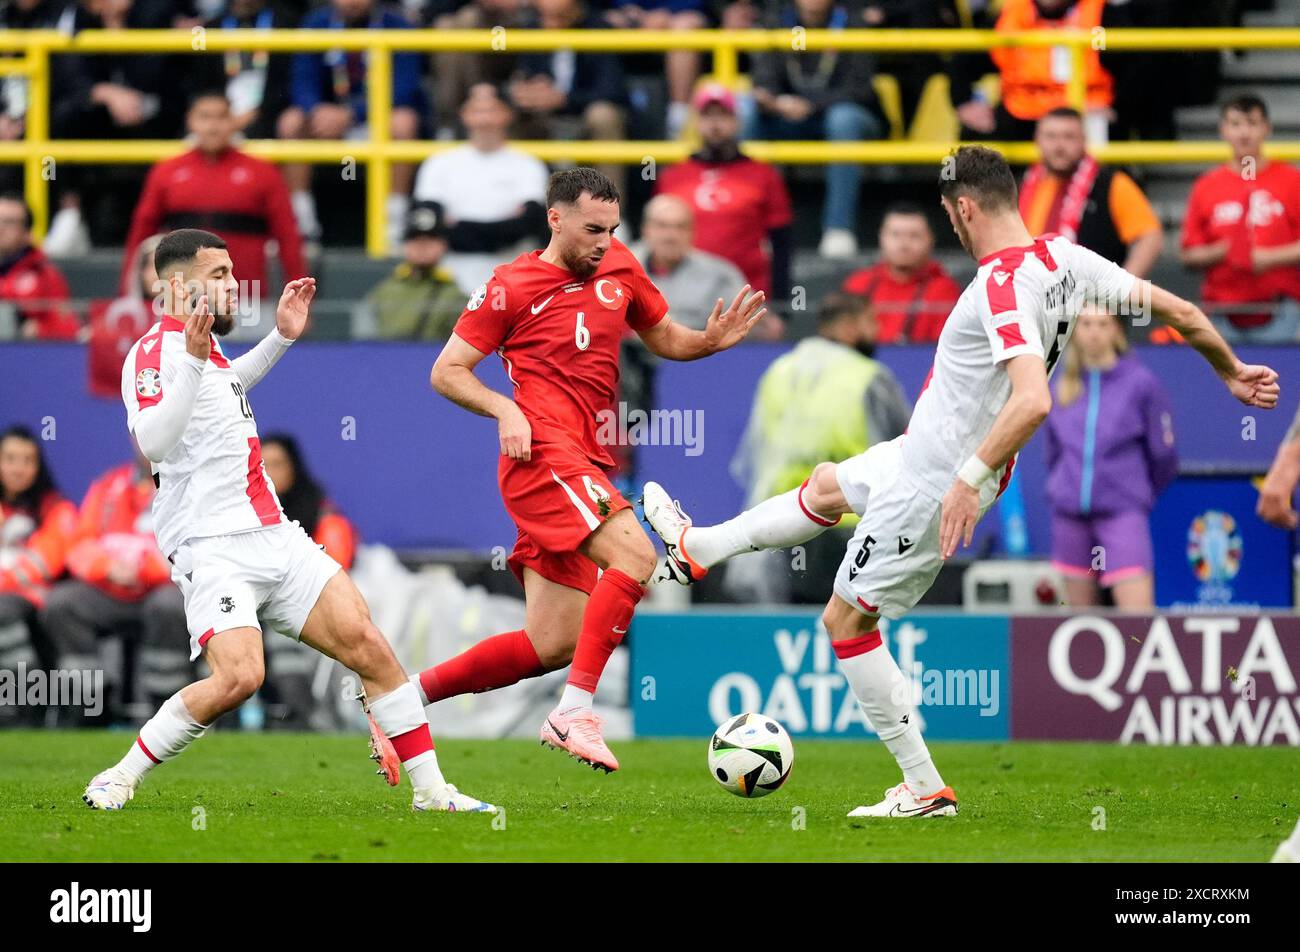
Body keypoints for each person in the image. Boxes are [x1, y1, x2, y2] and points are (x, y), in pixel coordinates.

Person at [644, 145, 1279, 819]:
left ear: (965, 207)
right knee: (828, 485)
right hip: (918, 456)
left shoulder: (1004, 285)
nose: (950, 223)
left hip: (934, 479)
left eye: (949, 212)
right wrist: (1230, 369)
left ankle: (923, 788)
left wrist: (967, 481)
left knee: (846, 622)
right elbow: (1177, 307)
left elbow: (1032, 398)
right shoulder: (1064, 258)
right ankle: (699, 549)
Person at [82, 228, 495, 814]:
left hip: (274, 534)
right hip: (212, 544)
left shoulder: (206, 352)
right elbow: (154, 441)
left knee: (369, 646)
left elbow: (223, 387)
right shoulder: (152, 354)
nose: (233, 285)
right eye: (218, 275)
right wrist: (196, 364)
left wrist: (280, 337)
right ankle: (119, 775)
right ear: (178, 286)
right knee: (239, 679)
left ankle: (434, 794)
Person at [415, 168, 765, 773]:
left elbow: (664, 337)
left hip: (587, 456)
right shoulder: (511, 283)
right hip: (542, 455)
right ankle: (573, 712)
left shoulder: (620, 266)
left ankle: (404, 699)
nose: (604, 241)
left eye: (611, 229)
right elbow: (447, 370)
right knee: (637, 557)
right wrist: (505, 410)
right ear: (555, 219)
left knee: (550, 644)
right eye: (591, 229)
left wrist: (708, 341)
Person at [726, 292, 910, 602]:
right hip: (850, 520)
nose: (877, 331)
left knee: (797, 623)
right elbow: (906, 448)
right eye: (871, 322)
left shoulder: (779, 371)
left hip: (787, 519)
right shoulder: (870, 378)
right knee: (848, 622)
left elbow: (756, 452)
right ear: (850, 328)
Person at [121, 91, 306, 310]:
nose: (213, 126)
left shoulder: (263, 172)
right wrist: (127, 292)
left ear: (234, 122)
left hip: (245, 298)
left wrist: (299, 297)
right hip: (182, 302)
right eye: (205, 117)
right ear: (191, 121)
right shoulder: (166, 172)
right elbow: (141, 233)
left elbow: (288, 236)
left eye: (221, 117)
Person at [1043, 307, 1177, 609]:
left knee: (1137, 620)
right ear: (1075, 330)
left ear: (1116, 330)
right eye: (1086, 323)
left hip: (1123, 512)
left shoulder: (1142, 383)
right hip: (1069, 515)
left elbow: (1164, 456)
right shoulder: (1059, 384)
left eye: (1103, 324)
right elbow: (1053, 453)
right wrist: (1064, 488)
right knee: (1078, 623)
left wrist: (1134, 494)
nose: (1093, 331)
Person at [41, 449, 188, 718]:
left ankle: (168, 706)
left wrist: (146, 569)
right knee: (63, 603)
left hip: (165, 588)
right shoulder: (108, 485)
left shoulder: (190, 484)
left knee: (168, 605)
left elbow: (194, 548)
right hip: (110, 590)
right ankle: (89, 703)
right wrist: (106, 567)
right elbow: (79, 543)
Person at [741, 0, 885, 259]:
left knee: (843, 120)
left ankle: (838, 229)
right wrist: (776, 101)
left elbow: (860, 89)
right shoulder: (775, 20)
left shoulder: (854, 22)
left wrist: (811, 104)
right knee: (746, 112)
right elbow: (762, 79)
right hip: (785, 115)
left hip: (846, 115)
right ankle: (752, 227)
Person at [282, 0, 424, 247]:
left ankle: (394, 223)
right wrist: (316, 111)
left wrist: (352, 114)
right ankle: (301, 224)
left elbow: (403, 89)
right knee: (291, 122)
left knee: (404, 122)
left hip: (374, 119)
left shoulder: (398, 25)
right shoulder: (316, 23)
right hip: (325, 123)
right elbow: (301, 82)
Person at [655, 84, 793, 305]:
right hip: (682, 298)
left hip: (745, 297)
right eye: (707, 116)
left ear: (737, 121)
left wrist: (781, 304)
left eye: (723, 116)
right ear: (696, 122)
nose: (715, 124)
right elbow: (656, 240)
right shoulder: (672, 176)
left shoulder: (764, 174)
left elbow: (781, 243)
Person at [1181, 94, 1300, 344]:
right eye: (1235, 124)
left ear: (1266, 128)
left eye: (1252, 123)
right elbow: (1188, 255)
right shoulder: (1206, 186)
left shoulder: (1292, 180)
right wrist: (1225, 251)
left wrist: (1266, 258)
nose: (1244, 133)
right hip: (1221, 314)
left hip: (1284, 311)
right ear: (1223, 130)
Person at [259, 433, 359, 729]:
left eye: (278, 464)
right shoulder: (243, 515)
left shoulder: (320, 513)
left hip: (303, 604)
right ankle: (220, 720)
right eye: (263, 465)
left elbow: (333, 564)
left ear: (294, 468)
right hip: (252, 602)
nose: (270, 474)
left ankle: (298, 714)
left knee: (283, 628)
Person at [412, 83, 549, 295]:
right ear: (464, 114)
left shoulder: (528, 164)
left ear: (507, 114)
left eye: (492, 110)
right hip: (450, 276)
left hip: (513, 274)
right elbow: (429, 220)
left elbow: (530, 223)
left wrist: (458, 227)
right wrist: (502, 228)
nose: (484, 119)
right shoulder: (439, 163)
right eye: (477, 110)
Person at [1021, 108, 1164, 278]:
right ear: (1037, 140)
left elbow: (1151, 238)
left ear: (1084, 140)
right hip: (1034, 293)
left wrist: (1121, 291)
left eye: (1068, 137)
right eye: (1051, 136)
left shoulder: (1111, 183)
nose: (1059, 146)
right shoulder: (1024, 183)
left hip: (1092, 297)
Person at [510, 0, 629, 198]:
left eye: (558, 16)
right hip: (543, 117)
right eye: (546, 16)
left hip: (583, 114)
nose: (550, 22)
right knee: (509, 115)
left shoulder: (598, 28)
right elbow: (522, 75)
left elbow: (612, 90)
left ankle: (613, 211)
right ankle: (521, 208)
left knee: (604, 116)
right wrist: (526, 92)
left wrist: (564, 99)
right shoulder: (530, 29)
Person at [952, 0, 1112, 142]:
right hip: (1022, 116)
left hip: (1084, 114)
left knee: (1102, 133)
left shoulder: (1101, 17)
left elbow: (1127, 65)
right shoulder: (1012, 14)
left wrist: (1115, 108)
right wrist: (964, 102)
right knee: (974, 142)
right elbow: (965, 61)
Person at [0, 425, 77, 718]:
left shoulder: (57, 509)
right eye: (9, 459)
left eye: (27, 460)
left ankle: (23, 705)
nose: (18, 468)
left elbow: (44, 563)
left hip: (35, 600)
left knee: (2, 610)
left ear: (38, 465)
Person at [841, 203, 962, 344]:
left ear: (931, 240)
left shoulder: (945, 289)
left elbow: (946, 348)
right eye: (895, 235)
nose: (904, 244)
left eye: (914, 236)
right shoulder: (858, 284)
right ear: (881, 237)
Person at [629, 194, 746, 331]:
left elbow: (752, 321)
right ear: (645, 230)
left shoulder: (719, 274)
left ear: (692, 232)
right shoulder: (622, 266)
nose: (671, 236)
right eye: (662, 226)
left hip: (701, 349)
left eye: (680, 227)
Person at [353, 202, 465, 340]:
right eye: (415, 238)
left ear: (444, 244)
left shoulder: (456, 296)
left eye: (431, 238)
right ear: (405, 244)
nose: (422, 245)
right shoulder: (383, 292)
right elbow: (363, 343)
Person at [0, 194, 78, 340]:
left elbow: (68, 327)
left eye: (9, 222)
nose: (1, 228)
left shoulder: (45, 274)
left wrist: (40, 329)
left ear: (26, 232)